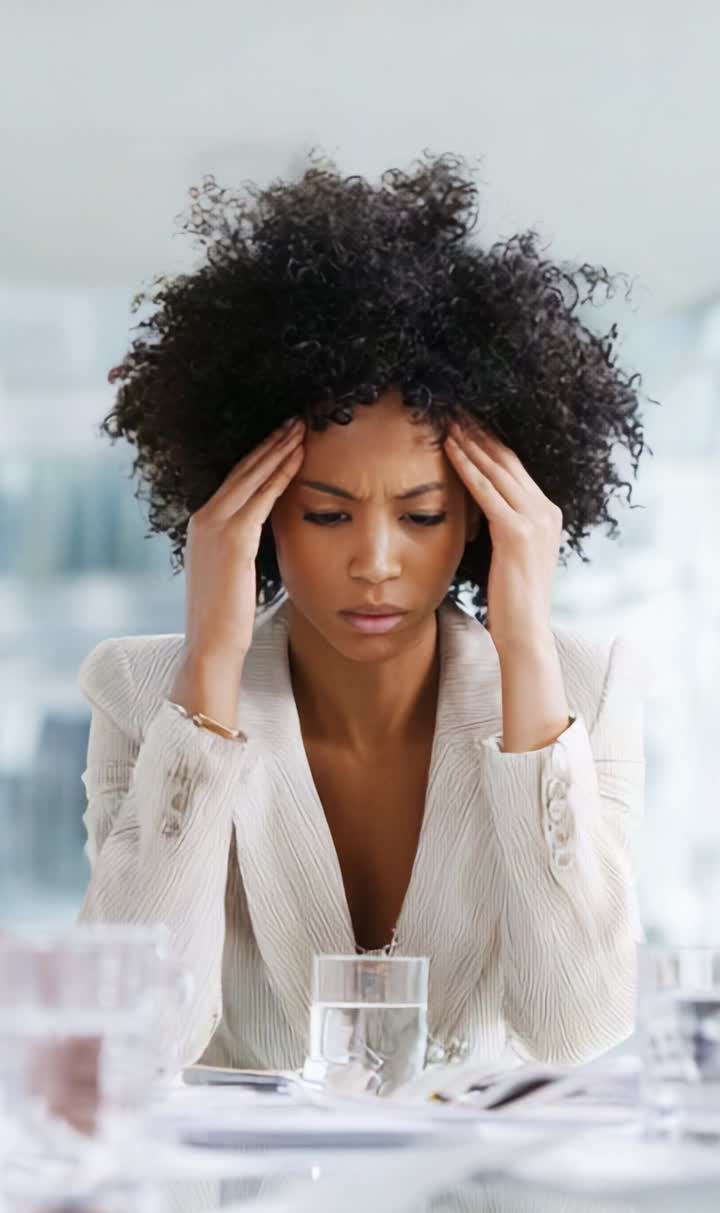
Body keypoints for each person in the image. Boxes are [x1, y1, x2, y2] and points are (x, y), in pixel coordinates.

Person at [77, 154, 649, 1074]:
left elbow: (578, 1026)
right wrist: (211, 668)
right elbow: (130, 1041)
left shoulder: (582, 691)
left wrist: (527, 655)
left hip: (488, 1176)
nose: (376, 563)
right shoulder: (141, 692)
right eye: (326, 514)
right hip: (248, 1178)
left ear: (480, 517)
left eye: (421, 517)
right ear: (257, 515)